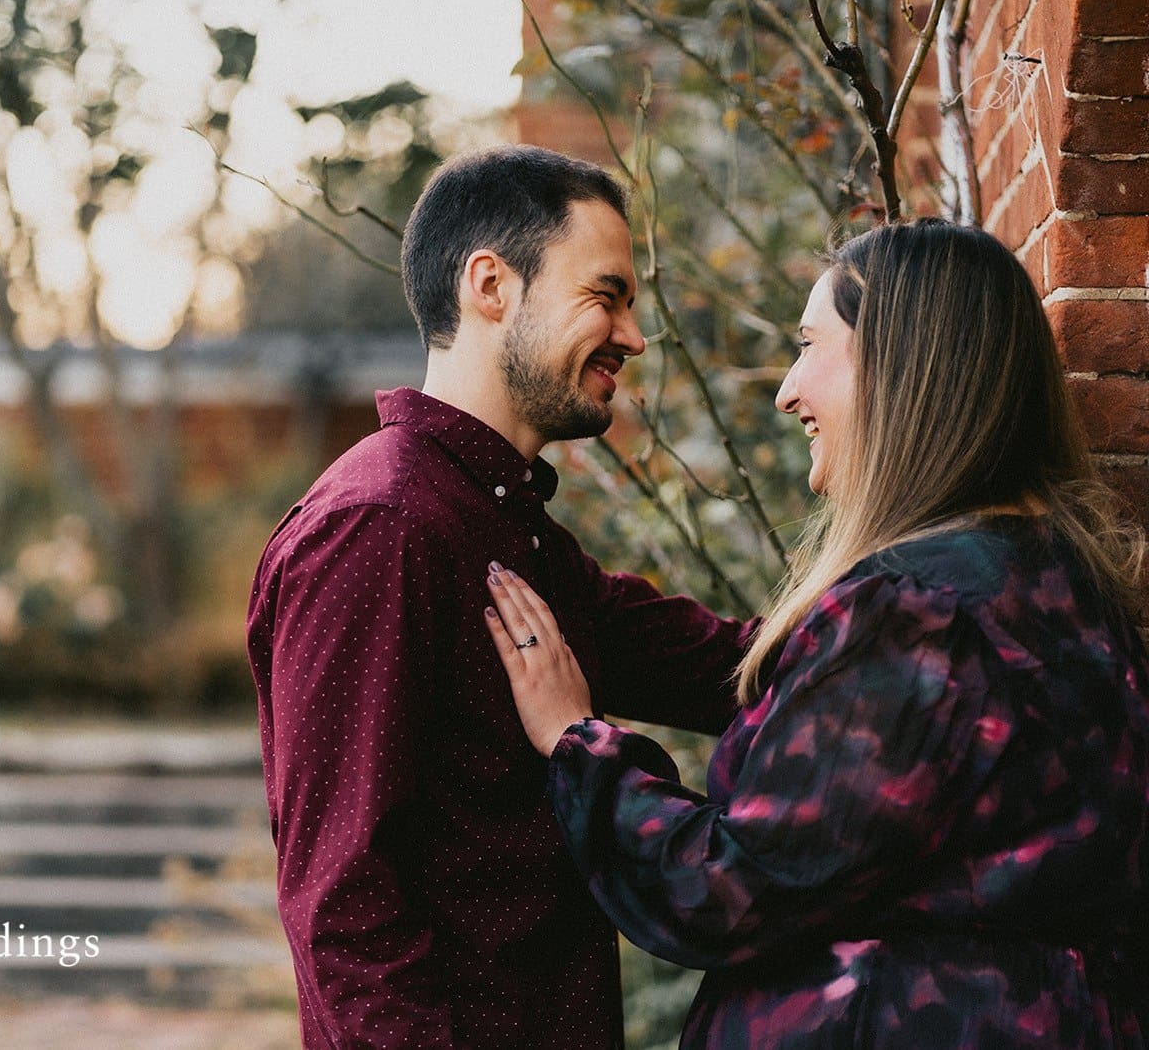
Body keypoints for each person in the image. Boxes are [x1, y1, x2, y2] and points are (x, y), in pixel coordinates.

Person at [487, 217, 1149, 1048]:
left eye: (810, 345)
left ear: (903, 365)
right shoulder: (1061, 583)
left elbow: (727, 890)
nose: (787, 389)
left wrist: (576, 742)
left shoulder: (916, 610)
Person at [247, 144, 753, 1049]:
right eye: (606, 296)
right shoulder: (379, 527)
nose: (634, 337)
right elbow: (342, 904)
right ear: (491, 284)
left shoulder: (513, 533)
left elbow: (725, 666)